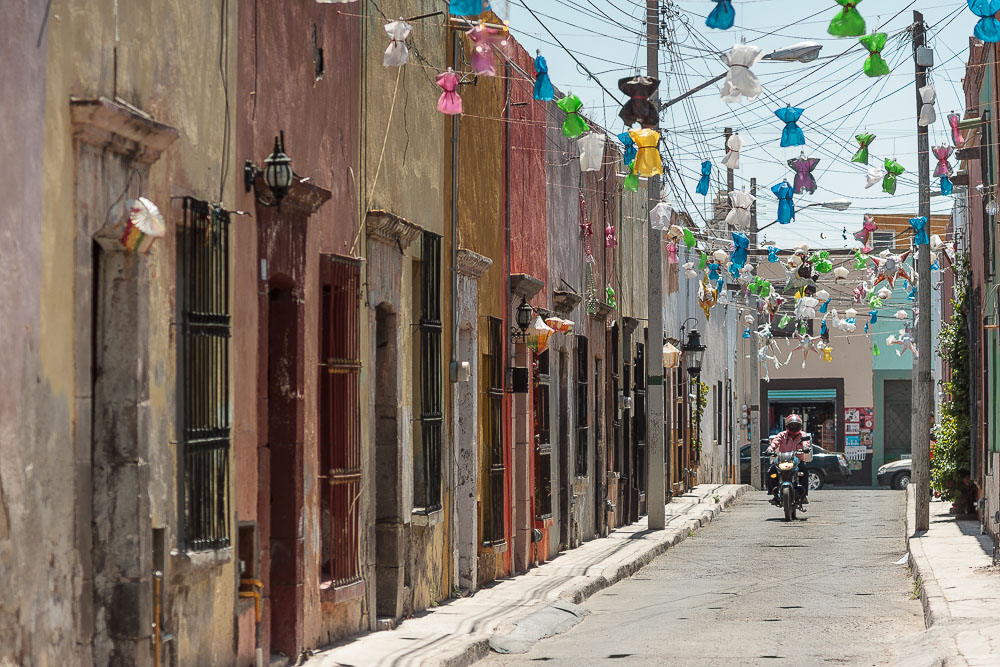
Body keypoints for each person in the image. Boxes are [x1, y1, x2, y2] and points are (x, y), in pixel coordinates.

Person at [766, 414, 809, 504]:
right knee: (771, 471)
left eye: (796, 425)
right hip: (782, 460)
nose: (794, 427)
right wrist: (770, 449)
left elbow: (806, 442)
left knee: (804, 471)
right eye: (792, 425)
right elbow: (775, 442)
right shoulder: (782, 435)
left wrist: (805, 447)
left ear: (800, 426)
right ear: (787, 426)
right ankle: (774, 493)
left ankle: (803, 495)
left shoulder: (802, 435)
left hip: (797, 461)